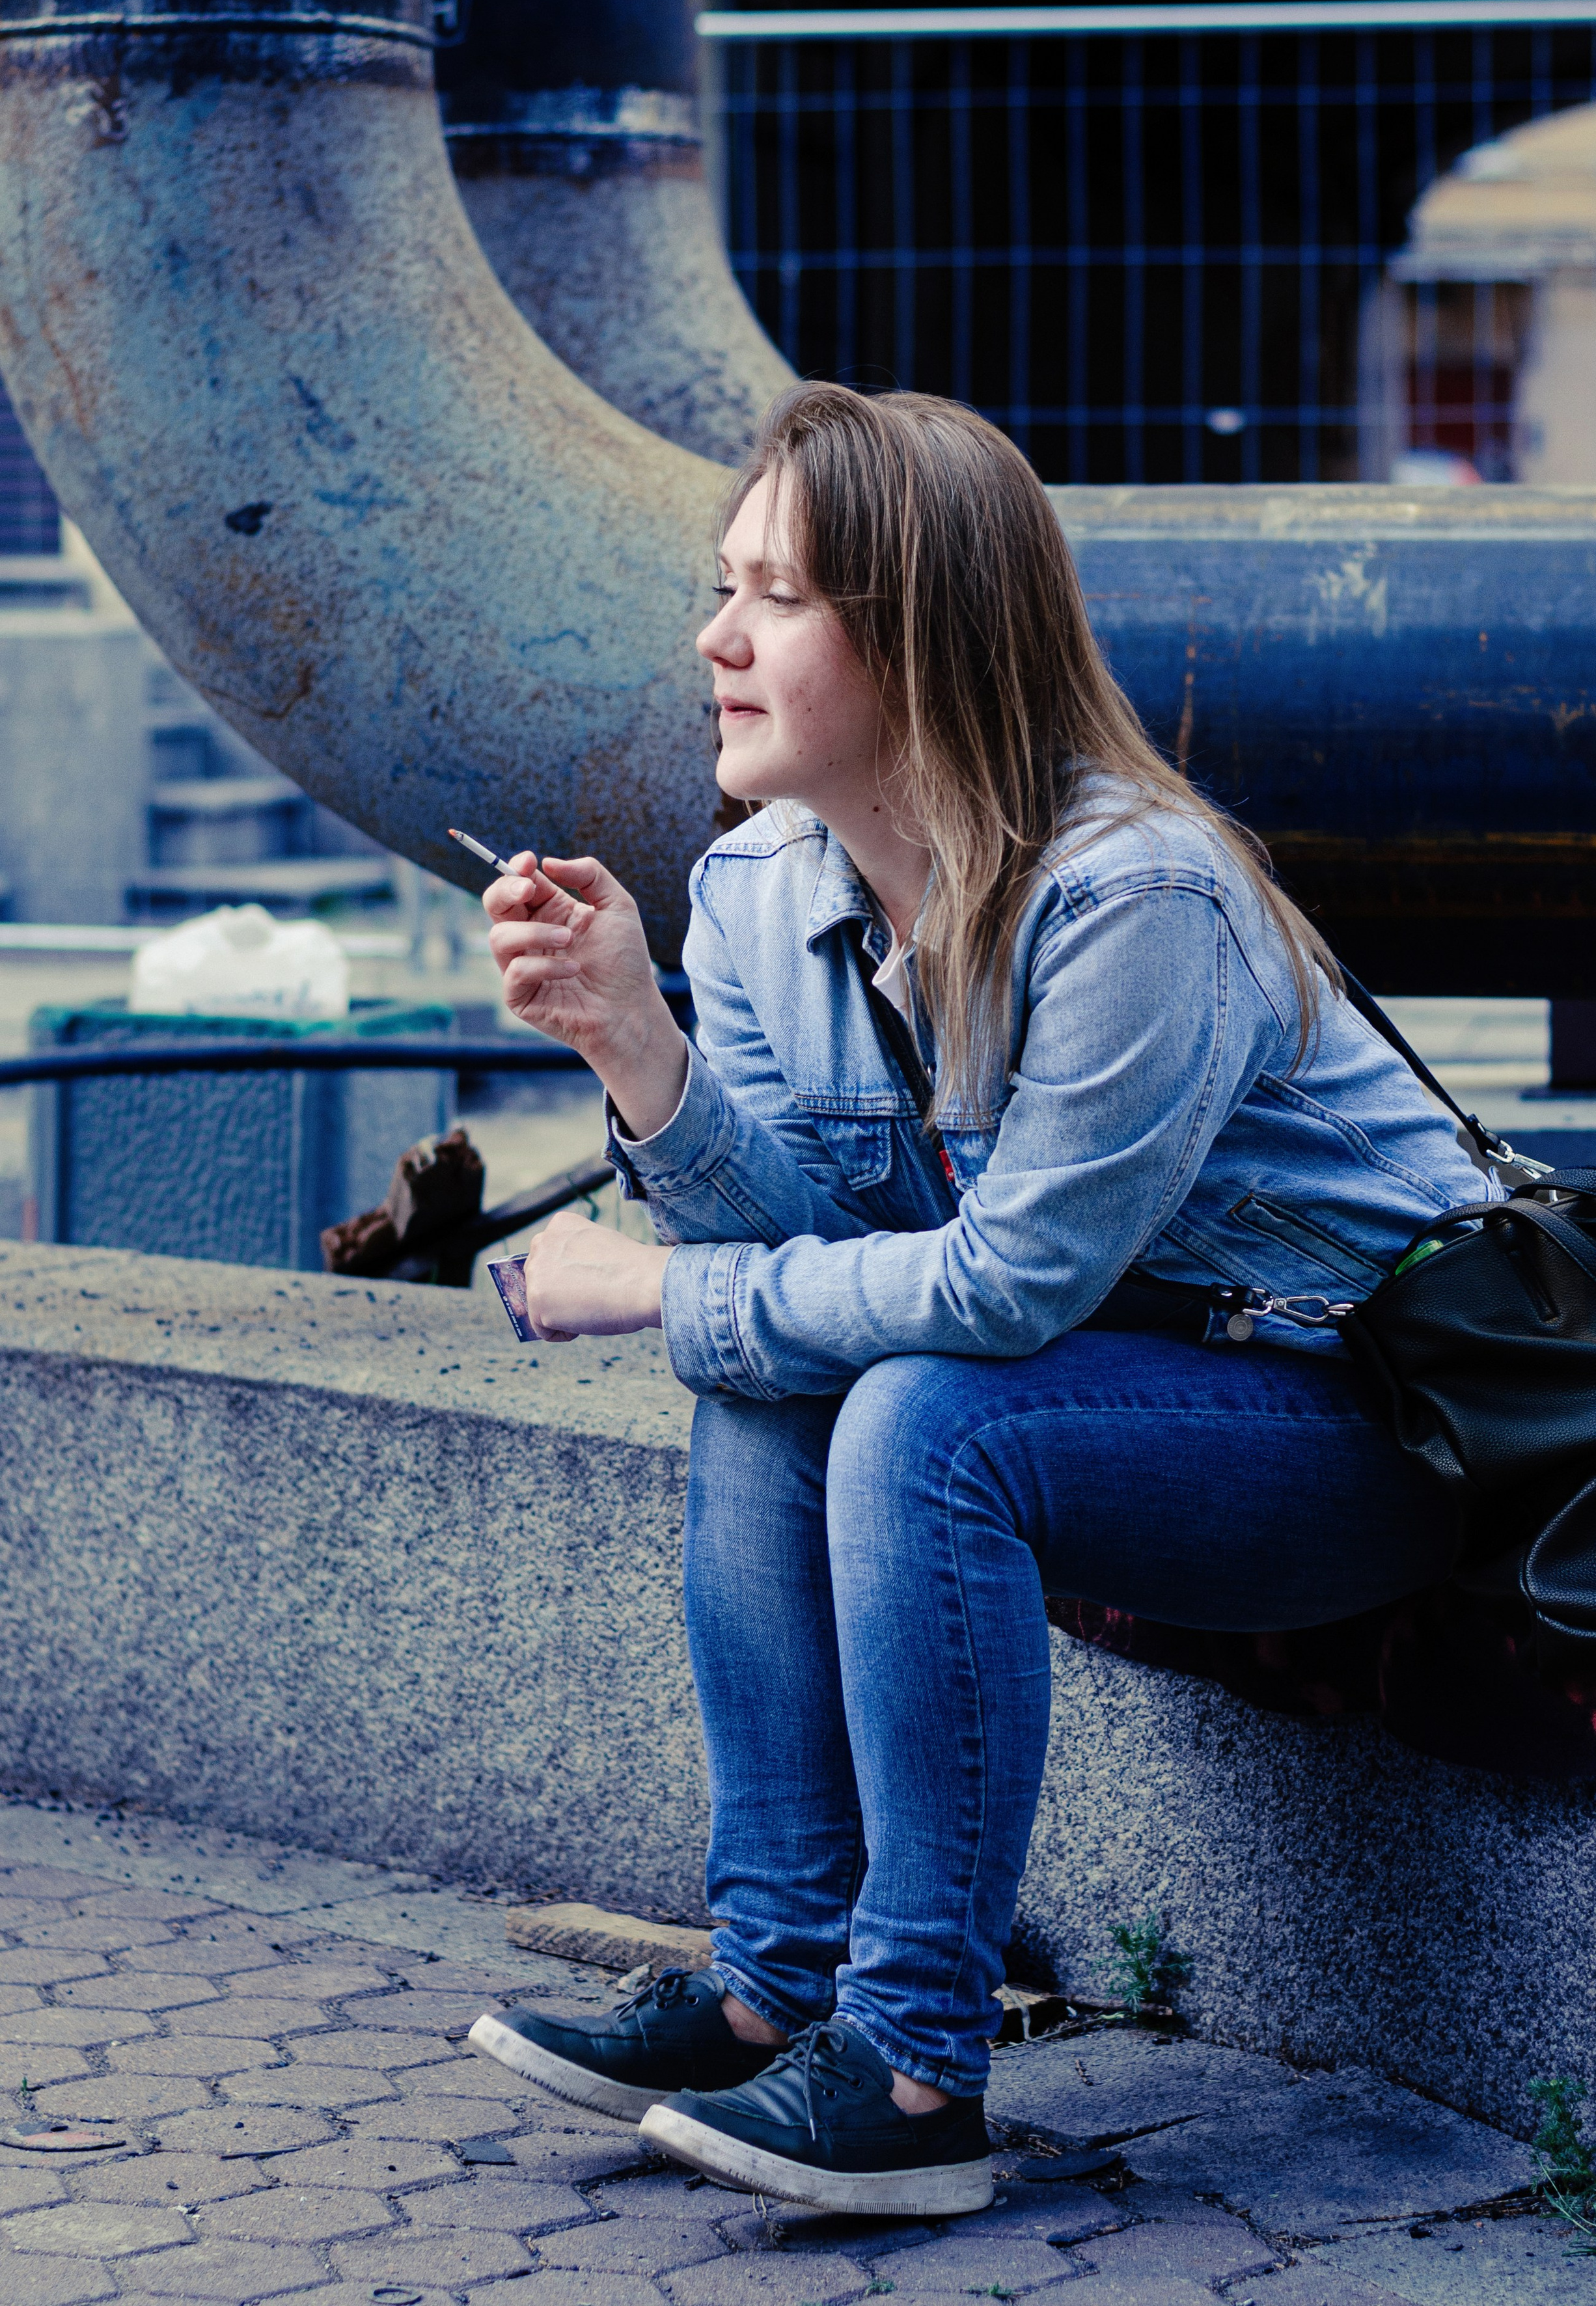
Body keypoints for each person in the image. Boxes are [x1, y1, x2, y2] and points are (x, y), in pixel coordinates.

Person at [467, 382, 1479, 2218]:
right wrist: (634, 1037)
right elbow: (810, 1237)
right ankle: (783, 1980)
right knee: (797, 1376)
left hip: (1362, 1425)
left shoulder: (1135, 897)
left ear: (921, 630)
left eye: (776, 596)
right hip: (1119, 1397)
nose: (716, 636)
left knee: (923, 1410)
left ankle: (921, 2064)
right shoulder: (758, 885)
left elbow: (1005, 1289)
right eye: (724, 585)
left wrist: (650, 1286)